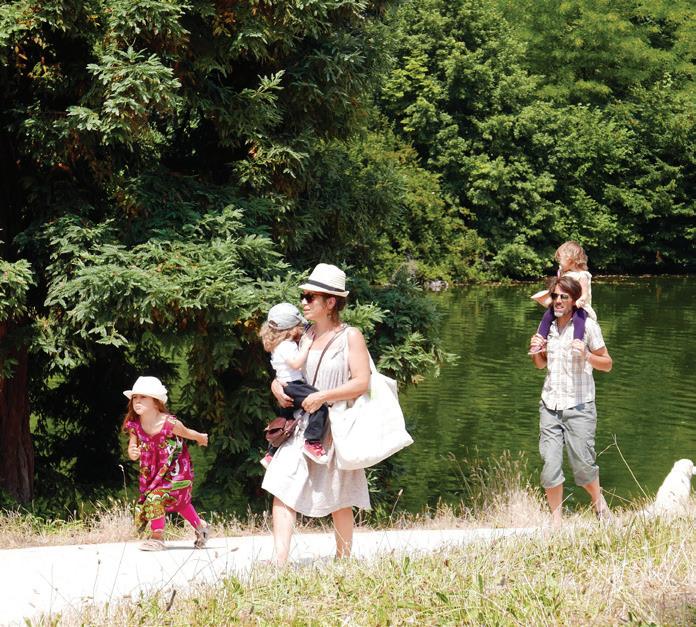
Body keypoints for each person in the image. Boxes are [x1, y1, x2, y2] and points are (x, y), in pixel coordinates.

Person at [262, 263, 371, 565]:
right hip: (300, 424)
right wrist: (275, 386)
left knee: (340, 496)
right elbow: (287, 372)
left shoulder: (350, 336)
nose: (304, 302)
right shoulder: (303, 335)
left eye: (310, 297)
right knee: (281, 484)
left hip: (335, 426)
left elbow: (361, 382)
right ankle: (279, 563)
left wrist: (323, 396)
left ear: (331, 302)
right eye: (304, 296)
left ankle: (343, 561)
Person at [529, 275, 613, 525]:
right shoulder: (548, 327)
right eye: (554, 296)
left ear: (574, 300)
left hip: (579, 405)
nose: (557, 301)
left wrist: (587, 355)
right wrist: (536, 350)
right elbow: (540, 364)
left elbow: (607, 364)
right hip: (550, 405)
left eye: (563, 297)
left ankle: (599, 504)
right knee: (550, 467)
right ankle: (556, 523)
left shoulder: (587, 327)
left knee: (583, 467)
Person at [122, 376, 210, 551]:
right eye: (135, 397)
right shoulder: (135, 425)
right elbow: (132, 446)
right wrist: (133, 452)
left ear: (156, 402)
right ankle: (202, 528)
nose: (137, 401)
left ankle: (157, 538)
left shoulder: (170, 423)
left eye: (143, 397)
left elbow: (188, 433)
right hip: (152, 473)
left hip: (176, 470)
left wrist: (200, 437)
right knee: (181, 504)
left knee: (157, 498)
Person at [259, 302, 329, 468]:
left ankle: (271, 453)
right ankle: (312, 441)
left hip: (286, 386)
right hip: (294, 385)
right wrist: (306, 346)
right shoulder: (286, 345)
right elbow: (296, 364)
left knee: (286, 422)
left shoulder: (278, 345)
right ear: (291, 329)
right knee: (319, 405)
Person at [529, 241, 597, 355]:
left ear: (570, 258)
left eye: (560, 259)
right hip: (564, 304)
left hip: (579, 306)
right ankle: (539, 340)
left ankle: (577, 342)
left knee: (579, 318)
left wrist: (580, 300)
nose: (558, 262)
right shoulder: (563, 273)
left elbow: (585, 294)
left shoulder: (582, 275)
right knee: (547, 315)